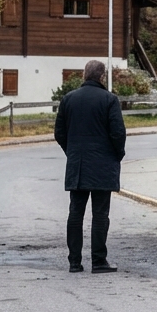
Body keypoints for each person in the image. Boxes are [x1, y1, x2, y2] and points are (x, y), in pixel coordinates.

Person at [54, 60, 127, 273]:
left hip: (77, 165)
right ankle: (99, 261)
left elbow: (59, 133)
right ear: (102, 77)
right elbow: (118, 133)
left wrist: (73, 152)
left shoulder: (68, 99)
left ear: (84, 75)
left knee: (75, 213)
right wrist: (117, 155)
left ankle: (74, 262)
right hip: (103, 165)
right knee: (100, 214)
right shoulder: (109, 100)